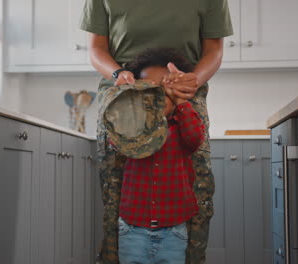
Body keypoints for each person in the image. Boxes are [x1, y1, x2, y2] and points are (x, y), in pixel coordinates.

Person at [80, 1, 233, 263]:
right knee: (114, 192)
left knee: (198, 187)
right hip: (124, 85)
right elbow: (96, 48)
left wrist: (190, 82)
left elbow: (214, 50)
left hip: (184, 81)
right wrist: (120, 74)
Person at [116, 48, 205, 264]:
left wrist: (181, 99)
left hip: (173, 232)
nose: (158, 97)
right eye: (150, 91)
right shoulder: (132, 127)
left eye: (165, 92)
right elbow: (117, 141)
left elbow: (195, 138)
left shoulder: (181, 126)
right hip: (132, 229)